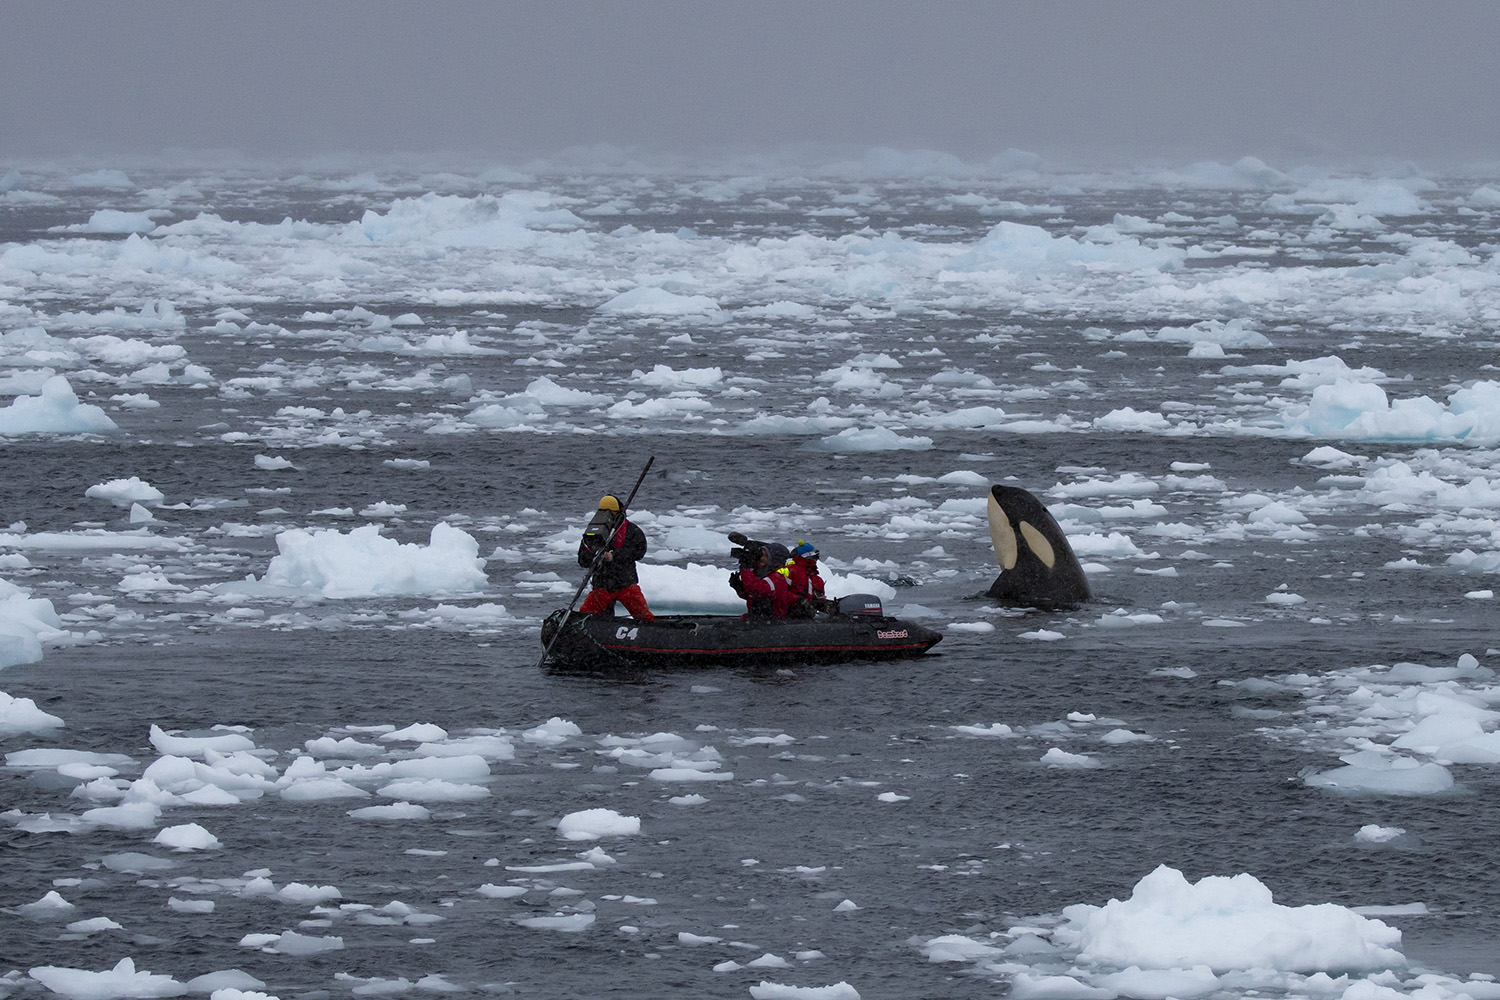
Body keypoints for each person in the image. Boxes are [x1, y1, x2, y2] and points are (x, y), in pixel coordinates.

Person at [577, 494, 654, 621]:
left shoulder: (631, 530)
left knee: (644, 618)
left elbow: (639, 552)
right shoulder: (593, 533)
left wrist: (614, 556)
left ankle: (650, 632)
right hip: (602, 587)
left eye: (610, 513)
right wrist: (594, 552)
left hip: (626, 584)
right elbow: (583, 560)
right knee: (585, 618)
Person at [729, 539, 792, 619]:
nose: (761, 558)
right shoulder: (762, 573)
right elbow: (753, 596)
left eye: (765, 556)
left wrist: (746, 568)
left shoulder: (777, 578)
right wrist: (739, 587)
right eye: (761, 554)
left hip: (772, 621)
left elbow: (755, 590)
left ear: (774, 560)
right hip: (760, 619)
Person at [781, 540, 827, 617]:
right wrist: (799, 600)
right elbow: (781, 592)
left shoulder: (817, 580)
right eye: (814, 557)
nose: (816, 560)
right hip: (791, 614)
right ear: (807, 557)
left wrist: (820, 602)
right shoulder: (790, 571)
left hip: (809, 615)